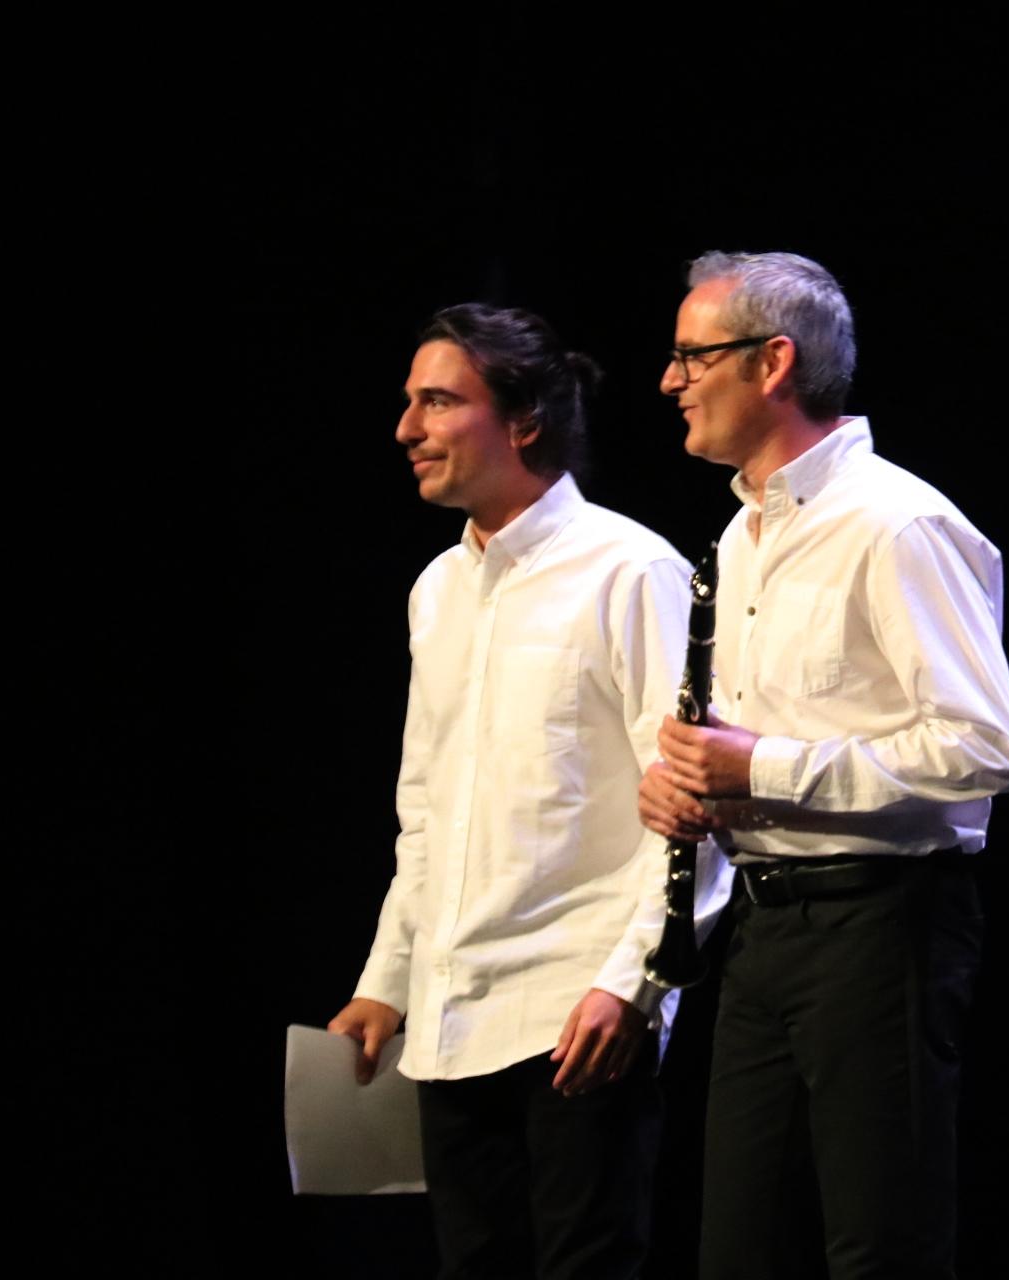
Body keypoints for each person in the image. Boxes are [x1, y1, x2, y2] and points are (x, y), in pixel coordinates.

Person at [636, 251, 1009, 1280]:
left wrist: (762, 767)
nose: (671, 381)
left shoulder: (896, 523)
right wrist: (690, 784)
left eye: (691, 356)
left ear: (772, 362)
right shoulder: (741, 533)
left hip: (883, 922)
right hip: (765, 924)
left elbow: (986, 746)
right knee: (738, 1249)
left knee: (879, 1248)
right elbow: (755, 741)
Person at [330, 303, 727, 1280]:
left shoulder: (631, 571)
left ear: (524, 420)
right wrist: (387, 980)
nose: (407, 428)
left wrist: (635, 983)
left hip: (575, 1019)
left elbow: (698, 810)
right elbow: (427, 809)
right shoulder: (437, 588)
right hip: (451, 1015)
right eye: (410, 402)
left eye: (437, 401)